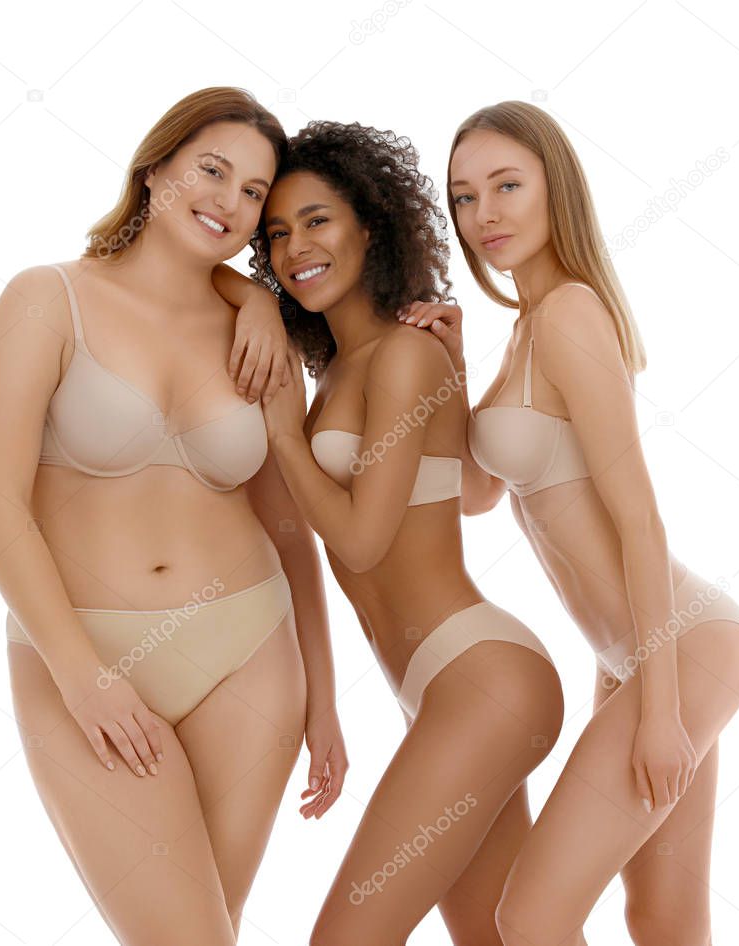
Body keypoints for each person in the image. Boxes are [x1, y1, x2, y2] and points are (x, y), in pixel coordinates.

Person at [0, 87, 343, 946]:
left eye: (254, 193)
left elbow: (288, 528)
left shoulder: (259, 334)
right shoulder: (46, 300)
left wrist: (325, 693)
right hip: (83, 649)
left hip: (250, 651)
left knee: (214, 927)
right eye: (213, 170)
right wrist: (80, 675)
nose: (230, 202)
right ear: (155, 166)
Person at [400, 99, 739, 945]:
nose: (484, 213)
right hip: (630, 656)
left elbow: (641, 520)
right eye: (463, 196)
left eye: (507, 185)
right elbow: (482, 495)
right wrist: (451, 370)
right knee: (664, 919)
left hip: (683, 644)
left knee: (528, 917)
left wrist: (662, 710)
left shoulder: (570, 316)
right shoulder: (528, 327)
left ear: (555, 188)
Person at [254, 120, 565, 945]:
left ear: (371, 225)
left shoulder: (396, 356)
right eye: (277, 234)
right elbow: (469, 495)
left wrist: (286, 438)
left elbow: (358, 544)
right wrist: (455, 375)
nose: (294, 248)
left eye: (316, 220)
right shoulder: (348, 373)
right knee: (501, 938)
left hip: (482, 681)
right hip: (437, 689)